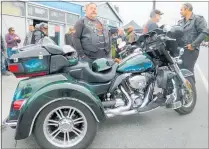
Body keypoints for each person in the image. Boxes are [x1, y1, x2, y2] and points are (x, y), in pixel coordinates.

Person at [177, 3, 208, 82]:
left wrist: (193, 45)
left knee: (188, 71)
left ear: (187, 9)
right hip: (180, 50)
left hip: (191, 50)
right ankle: (182, 91)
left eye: (181, 10)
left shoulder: (198, 19)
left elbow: (204, 32)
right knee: (179, 71)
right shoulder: (180, 22)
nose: (180, 12)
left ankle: (192, 92)